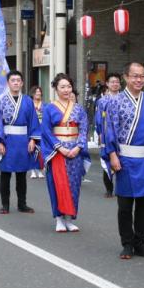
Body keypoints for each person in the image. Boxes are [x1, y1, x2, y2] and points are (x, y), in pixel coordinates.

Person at [104, 62, 144, 260]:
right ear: (126, 77)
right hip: (125, 159)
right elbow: (109, 130)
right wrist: (112, 154)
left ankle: (141, 242)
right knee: (125, 204)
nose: (139, 80)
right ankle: (127, 243)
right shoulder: (115, 102)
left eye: (142, 76)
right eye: (135, 76)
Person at [41, 73, 90, 233]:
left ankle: (69, 219)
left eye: (69, 86)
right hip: (57, 152)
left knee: (74, 185)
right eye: (62, 87)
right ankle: (59, 219)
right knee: (57, 185)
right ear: (56, 89)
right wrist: (60, 147)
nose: (66, 90)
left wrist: (78, 147)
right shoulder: (49, 108)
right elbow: (46, 131)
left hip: (75, 150)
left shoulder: (79, 108)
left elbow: (83, 129)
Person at [0, 71, 40, 214]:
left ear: (22, 83)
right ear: (8, 83)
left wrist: (32, 139)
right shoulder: (1, 101)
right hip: (7, 141)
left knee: (22, 174)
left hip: (23, 141)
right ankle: (5, 205)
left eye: (18, 80)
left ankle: (22, 204)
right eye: (13, 80)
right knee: (5, 174)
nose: (16, 82)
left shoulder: (28, 101)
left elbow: (33, 121)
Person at [95, 73, 121, 197]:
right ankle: (109, 189)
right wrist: (100, 133)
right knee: (107, 160)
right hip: (107, 134)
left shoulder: (124, 99)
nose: (115, 84)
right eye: (112, 82)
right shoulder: (102, 101)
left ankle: (122, 189)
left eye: (117, 82)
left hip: (122, 135)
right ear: (107, 84)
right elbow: (98, 118)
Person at [29, 85, 46, 179]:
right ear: (33, 94)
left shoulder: (45, 105)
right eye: (36, 92)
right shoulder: (29, 104)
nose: (38, 93)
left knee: (40, 150)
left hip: (42, 129)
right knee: (32, 149)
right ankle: (32, 170)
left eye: (39, 92)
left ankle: (39, 170)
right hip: (32, 128)